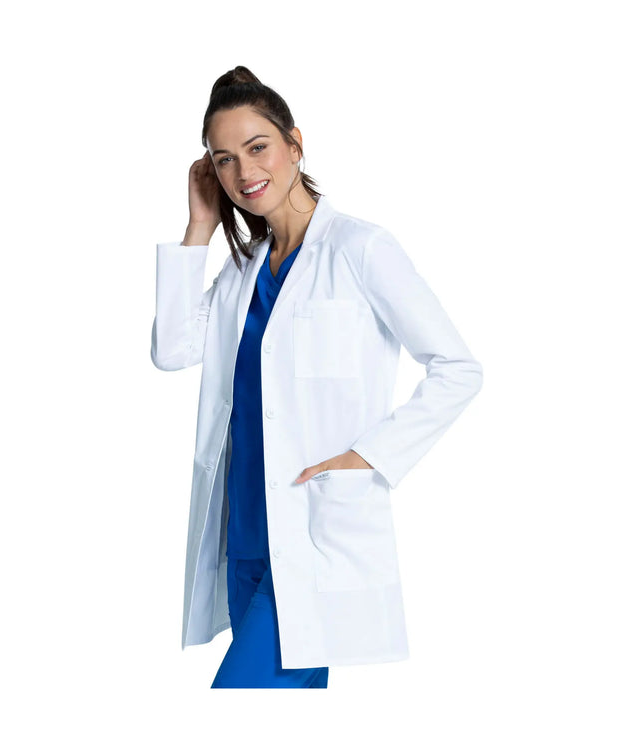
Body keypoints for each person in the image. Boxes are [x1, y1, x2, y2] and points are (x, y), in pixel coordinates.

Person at [151, 66, 483, 688]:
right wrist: (198, 229)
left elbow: (458, 368)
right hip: (245, 531)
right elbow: (171, 350)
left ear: (295, 143)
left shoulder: (360, 249)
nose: (244, 172)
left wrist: (370, 456)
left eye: (258, 147)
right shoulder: (243, 270)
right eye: (224, 160)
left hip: (314, 529)